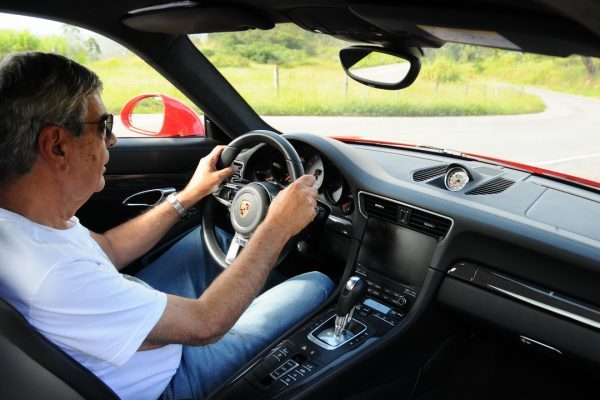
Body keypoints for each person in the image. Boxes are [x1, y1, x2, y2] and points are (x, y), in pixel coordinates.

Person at [0, 52, 335, 400]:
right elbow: (206, 324)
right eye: (103, 126)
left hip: (127, 331)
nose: (112, 140)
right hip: (170, 379)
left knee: (215, 242)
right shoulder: (57, 276)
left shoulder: (21, 222)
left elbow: (110, 249)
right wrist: (277, 226)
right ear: (56, 146)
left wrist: (189, 195)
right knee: (317, 284)